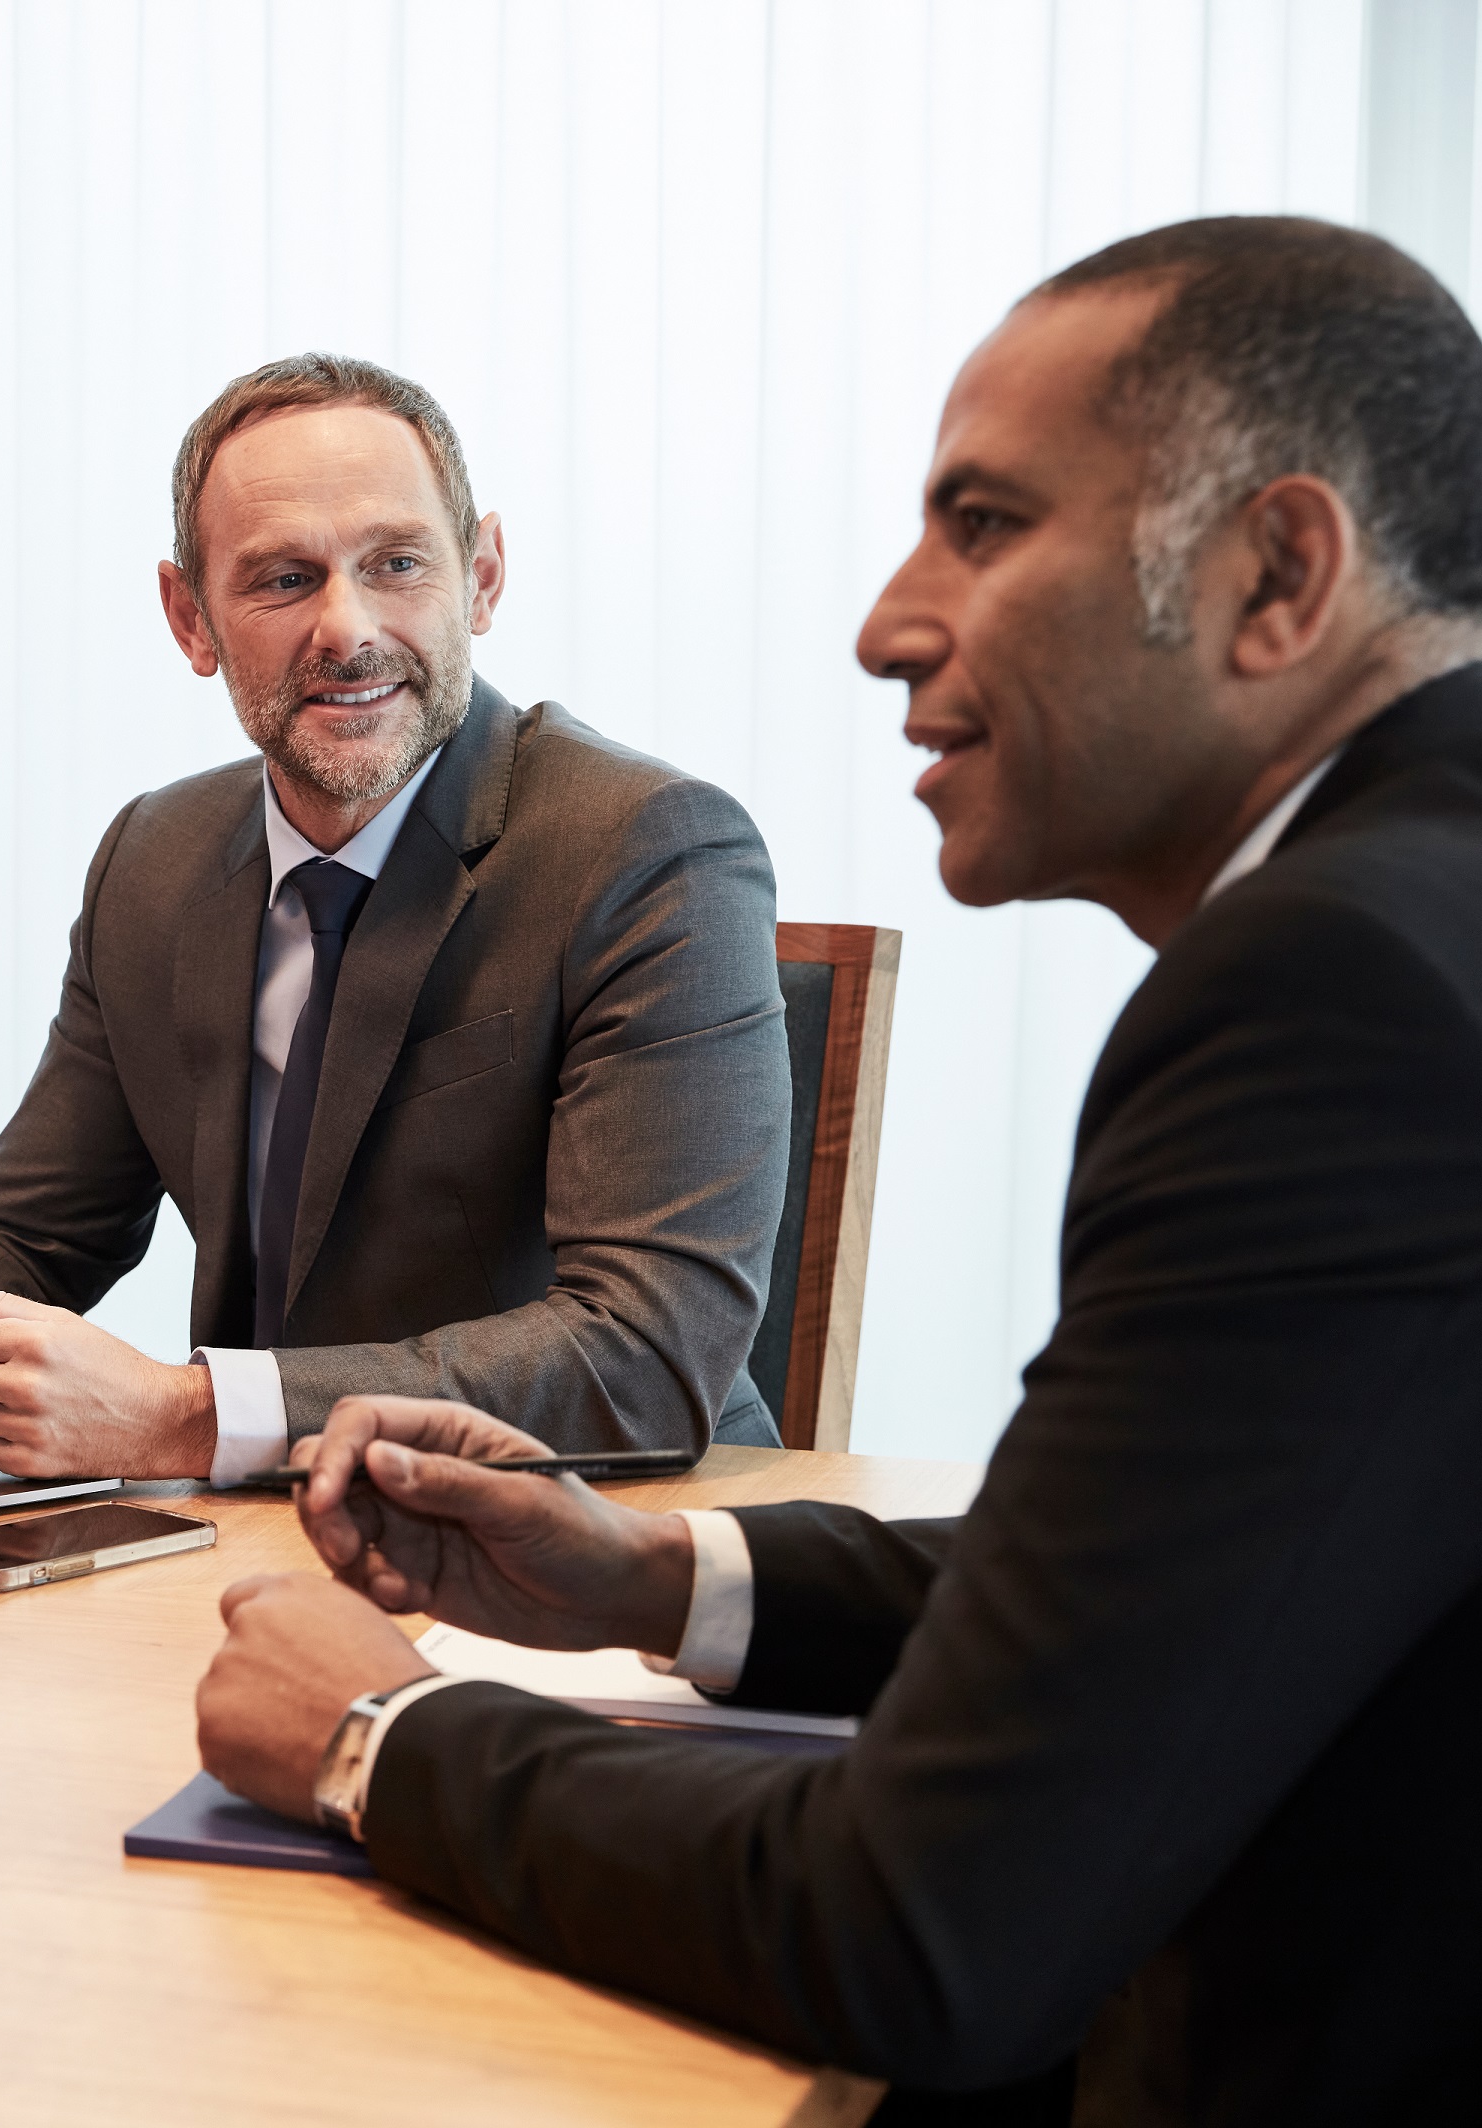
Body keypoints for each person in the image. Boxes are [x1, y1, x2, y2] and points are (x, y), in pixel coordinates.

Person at [192, 218, 1482, 2123]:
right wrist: (664, 1574)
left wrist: (384, 1737)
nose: (887, 618)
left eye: (979, 522)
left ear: (1276, 573)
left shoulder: (1326, 993)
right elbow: (1193, 1567)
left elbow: (926, 1921)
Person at [0, 355, 793, 1480]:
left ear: (484, 577)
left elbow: (645, 1355)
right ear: (190, 616)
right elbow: (29, 1238)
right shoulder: (154, 859)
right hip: (264, 1536)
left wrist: (187, 1413)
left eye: (398, 563)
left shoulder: (651, 849)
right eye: (282, 579)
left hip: (597, 1539)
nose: (347, 627)